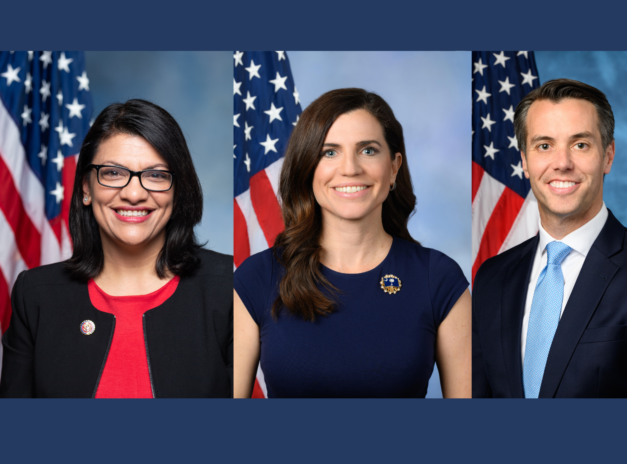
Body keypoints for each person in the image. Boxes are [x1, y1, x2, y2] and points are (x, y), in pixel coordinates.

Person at [234, 88, 471, 398]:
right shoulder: (258, 277)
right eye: (329, 152)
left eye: (368, 150)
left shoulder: (438, 278)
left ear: (394, 166)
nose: (350, 168)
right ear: (308, 168)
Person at [473, 78, 627, 398]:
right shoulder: (492, 278)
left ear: (608, 155)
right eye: (544, 145)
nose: (562, 163)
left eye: (580, 144)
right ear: (524, 160)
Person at [0, 99, 233, 398]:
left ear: (178, 189)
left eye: (156, 175)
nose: (134, 193)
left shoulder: (229, 286)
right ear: (86, 187)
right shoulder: (35, 295)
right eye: (112, 173)